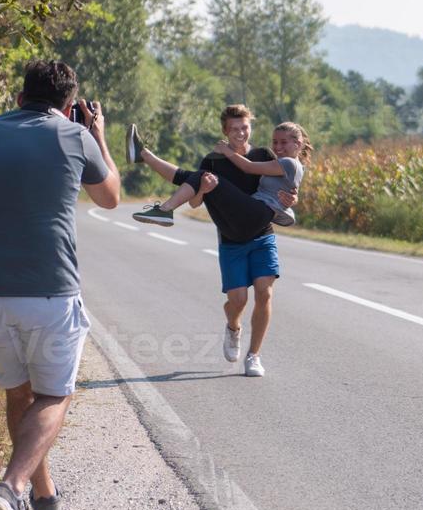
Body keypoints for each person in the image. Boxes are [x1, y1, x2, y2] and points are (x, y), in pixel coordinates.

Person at [0, 60, 120, 510]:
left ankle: (42, 498)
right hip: (46, 288)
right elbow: (110, 196)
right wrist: (96, 134)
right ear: (69, 105)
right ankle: (11, 487)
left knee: (18, 391)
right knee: (55, 394)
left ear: (21, 95)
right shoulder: (73, 135)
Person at [125, 105, 299, 378]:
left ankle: (254, 356)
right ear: (225, 131)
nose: (241, 133)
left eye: (245, 127)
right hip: (231, 237)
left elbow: (283, 184)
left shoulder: (262, 155)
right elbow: (195, 201)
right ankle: (233, 327)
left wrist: (292, 198)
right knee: (238, 300)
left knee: (264, 292)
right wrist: (203, 191)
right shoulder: (213, 161)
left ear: (250, 126)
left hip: (260, 232)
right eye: (234, 129)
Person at [130, 122, 310, 232]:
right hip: (253, 213)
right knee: (198, 177)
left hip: (258, 212)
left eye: (283, 142)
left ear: (298, 143)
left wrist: (227, 150)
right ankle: (145, 156)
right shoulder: (284, 163)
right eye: (275, 142)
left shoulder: (289, 163)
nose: (277, 147)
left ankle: (165, 210)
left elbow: (248, 167)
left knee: (204, 176)